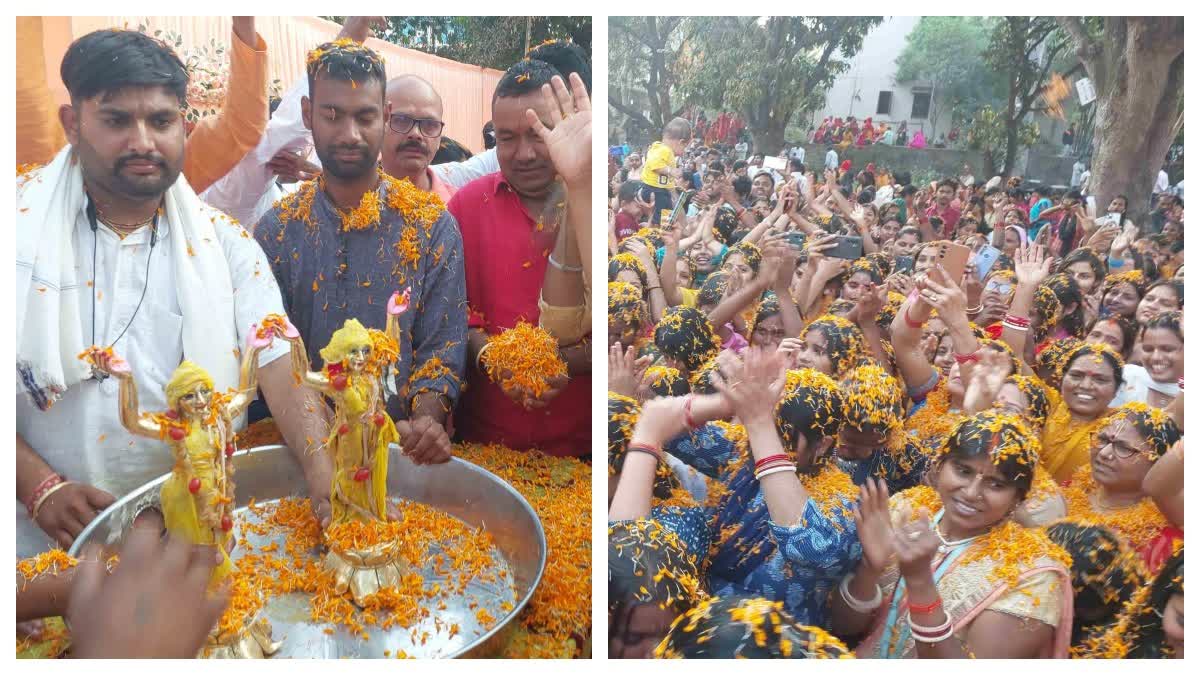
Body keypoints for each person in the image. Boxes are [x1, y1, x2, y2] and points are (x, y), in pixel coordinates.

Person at [15, 28, 330, 557]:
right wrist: (37, 485)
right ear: (73, 124)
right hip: (40, 544)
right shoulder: (18, 232)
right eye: (117, 120)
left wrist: (326, 474)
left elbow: (278, 362)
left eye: (160, 121)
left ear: (183, 126)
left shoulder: (226, 244)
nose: (143, 141)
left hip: (190, 537)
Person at [254, 39, 465, 462]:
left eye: (364, 116)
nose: (349, 134)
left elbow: (442, 348)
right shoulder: (278, 230)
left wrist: (426, 420)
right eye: (332, 115)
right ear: (308, 114)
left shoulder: (431, 225)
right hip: (302, 452)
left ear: (384, 117)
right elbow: (269, 354)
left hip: (399, 452)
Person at [832, 411, 1073, 658]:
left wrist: (920, 582)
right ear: (939, 467)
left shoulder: (1032, 574)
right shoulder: (905, 510)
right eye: (963, 471)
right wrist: (870, 568)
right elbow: (842, 627)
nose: (971, 493)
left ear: (1017, 498)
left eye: (996, 484)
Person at [447, 59, 590, 458]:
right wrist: (493, 358)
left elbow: (618, 329)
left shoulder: (594, 207)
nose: (523, 153)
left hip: (582, 449)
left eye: (537, 134)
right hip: (483, 446)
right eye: (506, 138)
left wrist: (567, 363)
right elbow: (451, 315)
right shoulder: (466, 206)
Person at [641, 117, 692, 225]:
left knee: (667, 213)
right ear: (681, 142)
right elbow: (654, 164)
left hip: (660, 190)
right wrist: (670, 171)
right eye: (685, 147)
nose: (684, 152)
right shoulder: (664, 150)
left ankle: (661, 230)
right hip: (655, 190)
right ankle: (658, 232)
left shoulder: (662, 150)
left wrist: (673, 186)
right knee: (662, 218)